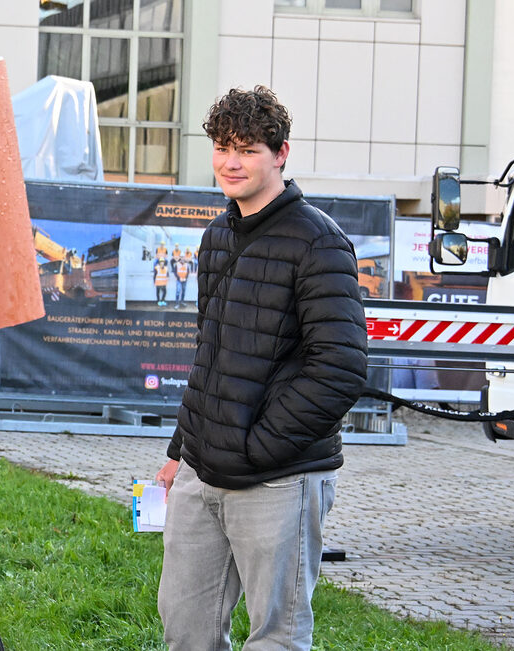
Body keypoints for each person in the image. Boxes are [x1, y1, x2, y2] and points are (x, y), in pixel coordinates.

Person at [154, 85, 367, 651]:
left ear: (281, 154)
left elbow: (341, 369)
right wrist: (181, 450)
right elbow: (212, 356)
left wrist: (259, 448)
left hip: (279, 477)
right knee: (185, 629)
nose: (231, 161)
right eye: (223, 147)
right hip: (203, 471)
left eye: (247, 149)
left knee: (276, 636)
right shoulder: (217, 236)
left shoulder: (319, 242)